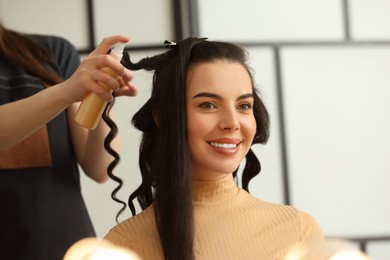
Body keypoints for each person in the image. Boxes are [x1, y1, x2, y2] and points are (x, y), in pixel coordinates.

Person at [103, 37, 324, 260]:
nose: (232, 122)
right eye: (208, 105)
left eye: (244, 106)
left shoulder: (298, 231)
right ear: (163, 117)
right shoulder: (121, 247)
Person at [0, 22, 137, 260]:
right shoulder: (64, 88)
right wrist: (65, 92)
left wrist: (101, 94)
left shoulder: (49, 52)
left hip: (65, 248)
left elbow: (100, 167)